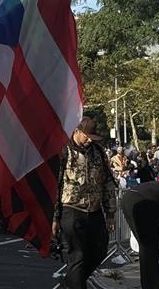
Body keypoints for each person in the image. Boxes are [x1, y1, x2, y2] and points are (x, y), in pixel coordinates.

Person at [52, 116, 118, 289]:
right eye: (86, 136)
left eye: (92, 137)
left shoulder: (98, 152)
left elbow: (108, 183)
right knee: (78, 255)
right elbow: (55, 185)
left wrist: (110, 213)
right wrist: (54, 217)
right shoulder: (64, 151)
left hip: (94, 210)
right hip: (71, 208)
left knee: (99, 251)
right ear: (77, 131)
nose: (89, 140)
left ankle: (69, 283)